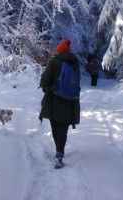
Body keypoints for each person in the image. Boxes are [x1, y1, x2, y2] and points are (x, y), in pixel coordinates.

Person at [39, 38, 81, 168]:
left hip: (54, 99)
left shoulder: (54, 61)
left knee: (55, 126)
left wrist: (48, 89)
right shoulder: (74, 63)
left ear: (59, 51)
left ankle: (58, 153)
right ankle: (60, 152)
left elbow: (45, 81)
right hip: (70, 100)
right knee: (63, 127)